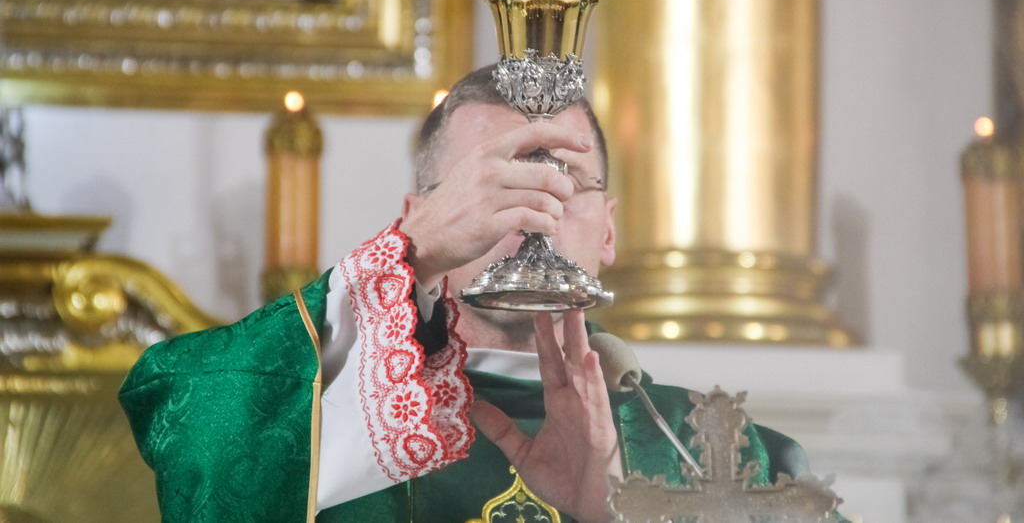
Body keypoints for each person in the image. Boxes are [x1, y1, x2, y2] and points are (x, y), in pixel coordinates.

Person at [120, 67, 833, 523]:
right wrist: (407, 255)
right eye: (496, 185)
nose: (535, 214)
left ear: (609, 230)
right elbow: (185, 415)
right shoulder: (340, 423)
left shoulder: (722, 451)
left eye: (563, 184)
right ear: (424, 216)